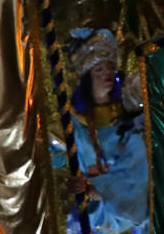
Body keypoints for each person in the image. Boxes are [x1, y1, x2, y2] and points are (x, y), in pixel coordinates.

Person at [54, 29, 148, 234]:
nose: (107, 73)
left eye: (110, 68)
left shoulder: (130, 113)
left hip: (133, 210)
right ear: (88, 77)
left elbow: (139, 166)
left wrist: (97, 188)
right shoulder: (75, 125)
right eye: (99, 70)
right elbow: (60, 158)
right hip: (96, 216)